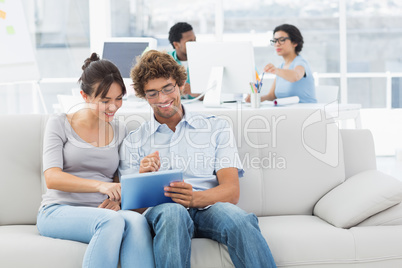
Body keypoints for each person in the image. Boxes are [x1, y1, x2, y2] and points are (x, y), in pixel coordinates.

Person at [119, 50, 277, 268]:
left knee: (240, 220)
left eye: (167, 88)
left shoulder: (216, 127)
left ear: (181, 85)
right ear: (143, 95)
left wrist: (193, 199)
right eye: (152, 93)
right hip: (165, 213)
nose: (162, 99)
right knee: (173, 213)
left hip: (207, 206)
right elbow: (129, 209)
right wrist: (142, 178)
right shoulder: (134, 141)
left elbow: (231, 191)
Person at [36, 53, 155, 268]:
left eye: (118, 99)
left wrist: (119, 198)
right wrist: (101, 186)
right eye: (105, 100)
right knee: (110, 221)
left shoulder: (120, 131)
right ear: (85, 96)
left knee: (137, 222)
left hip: (104, 211)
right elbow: (52, 178)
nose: (113, 107)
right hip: (58, 210)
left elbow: (119, 181)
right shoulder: (59, 124)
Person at [246, 24, 316, 103]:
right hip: (287, 112)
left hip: (306, 111)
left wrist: (276, 70)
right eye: (275, 40)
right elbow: (272, 96)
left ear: (295, 42)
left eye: (282, 40)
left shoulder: (300, 62)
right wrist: (256, 99)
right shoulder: (281, 67)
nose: (277, 44)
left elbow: (295, 76)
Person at [167, 22, 199, 99]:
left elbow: (215, 93)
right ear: (176, 45)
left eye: (194, 40)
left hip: (199, 107)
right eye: (190, 42)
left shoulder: (203, 58)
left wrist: (198, 94)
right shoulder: (165, 60)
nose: (194, 44)